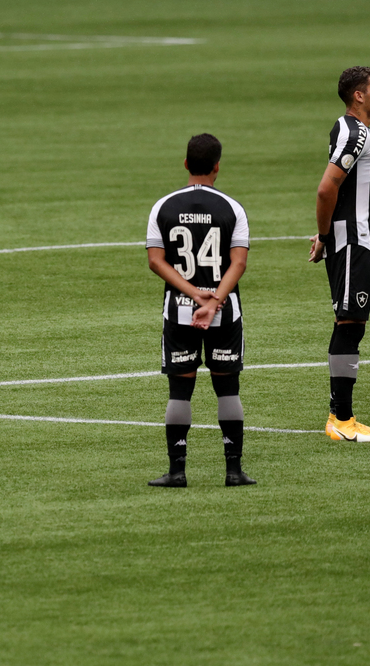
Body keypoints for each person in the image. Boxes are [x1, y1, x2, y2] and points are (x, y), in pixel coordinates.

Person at [144, 134, 255, 488]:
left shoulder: (163, 207)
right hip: (225, 311)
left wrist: (194, 294)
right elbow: (239, 263)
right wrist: (214, 300)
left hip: (179, 311)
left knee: (180, 390)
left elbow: (155, 261)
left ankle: (177, 472)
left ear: (186, 164)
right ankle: (233, 471)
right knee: (228, 389)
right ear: (217, 166)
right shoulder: (233, 208)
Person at [308, 67, 370, 443]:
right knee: (349, 324)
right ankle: (340, 419)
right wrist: (326, 236)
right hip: (354, 241)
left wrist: (328, 232)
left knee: (352, 324)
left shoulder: (356, 131)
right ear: (359, 95)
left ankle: (344, 416)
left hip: (360, 240)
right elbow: (327, 189)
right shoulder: (355, 134)